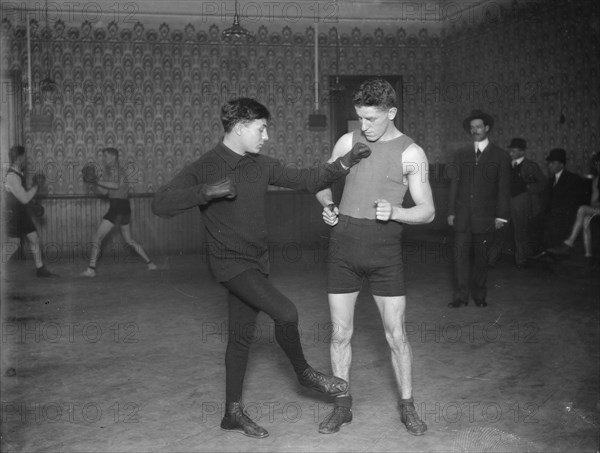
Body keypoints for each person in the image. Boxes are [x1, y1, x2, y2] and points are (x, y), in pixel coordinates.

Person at [152, 97, 372, 439]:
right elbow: (160, 203)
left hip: (256, 263)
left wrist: (346, 162)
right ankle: (303, 373)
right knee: (286, 312)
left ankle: (231, 413)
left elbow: (308, 179)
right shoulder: (205, 166)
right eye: (261, 128)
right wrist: (204, 191)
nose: (266, 135)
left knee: (240, 338)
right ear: (240, 128)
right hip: (229, 265)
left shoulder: (260, 165)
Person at [315, 78, 435, 436]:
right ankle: (342, 406)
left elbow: (428, 211)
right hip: (344, 247)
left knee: (396, 334)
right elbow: (319, 181)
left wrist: (396, 212)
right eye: (359, 118)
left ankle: (408, 407)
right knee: (340, 334)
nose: (363, 127)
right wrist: (329, 205)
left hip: (385, 251)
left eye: (371, 119)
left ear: (392, 112)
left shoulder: (412, 153)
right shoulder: (348, 141)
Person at [447, 110, 511, 308]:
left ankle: (480, 295)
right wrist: (450, 211)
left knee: (481, 259)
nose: (475, 130)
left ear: (487, 128)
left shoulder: (500, 155)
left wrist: (501, 216)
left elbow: (503, 188)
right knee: (460, 258)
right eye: (472, 127)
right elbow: (454, 185)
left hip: (486, 217)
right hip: (463, 216)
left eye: (478, 127)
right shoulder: (460, 154)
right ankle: (460, 296)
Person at [81, 147, 157, 277]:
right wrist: (94, 185)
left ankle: (91, 270)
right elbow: (105, 192)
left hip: (117, 207)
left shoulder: (117, 170)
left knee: (97, 237)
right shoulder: (110, 172)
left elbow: (116, 185)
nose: (104, 159)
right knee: (129, 239)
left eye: (105, 156)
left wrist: (97, 181)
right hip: (123, 207)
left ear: (113, 157)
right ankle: (150, 263)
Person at [487, 138, 547, 269]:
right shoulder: (505, 164)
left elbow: (543, 183)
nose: (511, 153)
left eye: (514, 151)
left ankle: (520, 260)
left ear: (522, 152)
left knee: (520, 231)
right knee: (499, 230)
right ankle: (491, 259)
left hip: (521, 201)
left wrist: (528, 188)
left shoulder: (531, 166)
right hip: (505, 201)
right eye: (510, 150)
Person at [3, 145, 56, 277]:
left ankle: (40, 269)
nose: (25, 159)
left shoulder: (18, 173)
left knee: (34, 238)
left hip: (21, 212)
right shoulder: (12, 176)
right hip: (14, 214)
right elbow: (24, 198)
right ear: (20, 158)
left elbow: (24, 197)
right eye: (24, 156)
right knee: (14, 244)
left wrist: (33, 203)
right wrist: (36, 186)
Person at [528, 148, 588, 257]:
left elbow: (574, 202)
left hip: (566, 215)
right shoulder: (551, 180)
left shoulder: (572, 179)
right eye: (549, 163)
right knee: (533, 222)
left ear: (561, 165)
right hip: (553, 213)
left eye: (553, 163)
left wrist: (555, 212)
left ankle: (548, 251)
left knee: (549, 223)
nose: (550, 165)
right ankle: (539, 251)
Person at [546, 151, 600, 269]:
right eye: (597, 164)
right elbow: (593, 202)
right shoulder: (597, 180)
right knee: (585, 218)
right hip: (597, 209)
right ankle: (588, 255)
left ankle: (568, 244)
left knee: (582, 210)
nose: (599, 167)